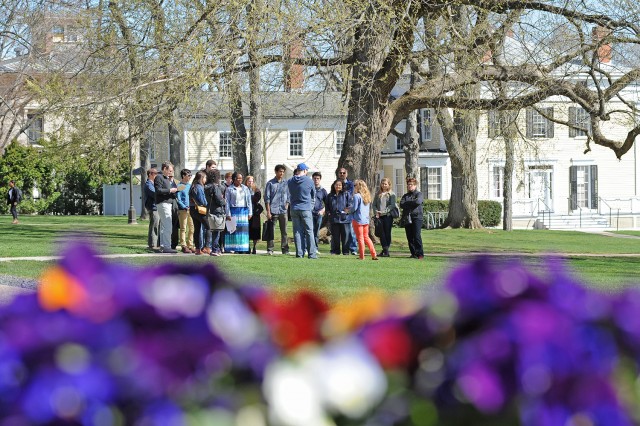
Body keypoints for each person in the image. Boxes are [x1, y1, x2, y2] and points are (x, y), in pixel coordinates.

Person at [287, 163, 318, 259]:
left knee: (297, 231)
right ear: (304, 171)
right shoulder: (309, 181)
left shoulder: (290, 181)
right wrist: (311, 206)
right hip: (306, 208)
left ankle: (299, 253)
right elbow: (313, 195)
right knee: (309, 231)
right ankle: (312, 254)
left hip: (294, 208)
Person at [264, 164, 290, 255]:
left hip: (283, 211)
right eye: (280, 171)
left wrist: (287, 205)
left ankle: (285, 249)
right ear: (276, 172)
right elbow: (267, 198)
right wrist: (268, 211)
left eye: (283, 172)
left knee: (284, 232)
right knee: (271, 231)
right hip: (273, 210)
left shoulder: (286, 183)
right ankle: (270, 249)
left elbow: (289, 196)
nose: (281, 173)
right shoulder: (270, 183)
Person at [225, 172, 253, 253]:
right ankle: (234, 248)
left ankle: (243, 248)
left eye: (241, 178)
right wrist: (228, 214)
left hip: (243, 211)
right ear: (234, 179)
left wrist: (250, 212)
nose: (240, 180)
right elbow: (227, 202)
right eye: (238, 178)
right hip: (233, 211)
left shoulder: (245, 188)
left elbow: (249, 201)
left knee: (243, 230)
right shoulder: (229, 189)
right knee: (234, 230)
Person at [154, 162, 178, 254]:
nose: (170, 173)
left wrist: (174, 191)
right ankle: (167, 246)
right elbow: (158, 190)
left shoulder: (166, 179)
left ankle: (163, 246)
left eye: (171, 171)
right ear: (164, 169)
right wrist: (170, 190)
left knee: (164, 226)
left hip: (167, 203)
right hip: (163, 204)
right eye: (169, 170)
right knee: (168, 226)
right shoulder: (159, 177)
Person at [351, 180, 378, 260]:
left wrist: (348, 211)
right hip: (366, 220)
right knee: (366, 237)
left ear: (358, 186)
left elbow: (354, 208)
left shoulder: (357, 196)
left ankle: (361, 256)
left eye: (354, 185)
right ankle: (374, 254)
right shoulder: (367, 196)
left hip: (358, 219)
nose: (354, 187)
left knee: (360, 238)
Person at [400, 177, 424, 260]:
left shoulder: (419, 194)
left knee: (416, 236)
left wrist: (409, 203)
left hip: (417, 217)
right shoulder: (405, 196)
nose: (409, 186)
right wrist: (411, 203)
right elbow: (402, 204)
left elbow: (418, 202)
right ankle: (413, 253)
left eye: (411, 185)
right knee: (409, 237)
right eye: (408, 185)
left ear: (415, 185)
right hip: (407, 217)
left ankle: (420, 253)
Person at [372, 177, 397, 257]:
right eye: (382, 183)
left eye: (385, 184)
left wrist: (383, 212)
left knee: (387, 233)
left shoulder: (392, 194)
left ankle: (385, 251)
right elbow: (374, 204)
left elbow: (391, 206)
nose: (384, 185)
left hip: (388, 216)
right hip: (379, 217)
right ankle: (385, 251)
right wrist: (376, 211)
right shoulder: (378, 193)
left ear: (389, 185)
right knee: (381, 233)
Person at [327, 179, 352, 255]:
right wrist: (328, 213)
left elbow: (350, 205)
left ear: (342, 186)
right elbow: (327, 206)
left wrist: (346, 211)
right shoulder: (330, 195)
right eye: (336, 185)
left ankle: (345, 251)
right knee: (335, 237)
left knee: (346, 236)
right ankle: (336, 251)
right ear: (334, 186)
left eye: (340, 185)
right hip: (334, 219)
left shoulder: (346, 194)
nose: (338, 186)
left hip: (345, 219)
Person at [338, 167, 358, 255]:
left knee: (351, 230)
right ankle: (343, 249)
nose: (342, 174)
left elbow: (350, 194)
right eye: (340, 173)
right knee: (341, 232)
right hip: (339, 210)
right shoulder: (336, 183)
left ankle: (353, 248)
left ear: (346, 174)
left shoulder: (350, 184)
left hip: (348, 209)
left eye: (343, 173)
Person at [189, 171, 210, 255]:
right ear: (201, 178)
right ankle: (206, 247)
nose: (205, 180)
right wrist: (207, 204)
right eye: (205, 178)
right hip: (200, 210)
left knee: (197, 229)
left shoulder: (192, 186)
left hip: (193, 210)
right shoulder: (199, 187)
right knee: (209, 227)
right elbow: (202, 200)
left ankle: (198, 249)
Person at [205, 169, 225, 256]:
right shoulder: (215, 187)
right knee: (217, 230)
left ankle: (213, 248)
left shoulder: (206, 186)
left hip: (209, 209)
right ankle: (215, 249)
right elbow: (219, 200)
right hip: (217, 210)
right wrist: (224, 201)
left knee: (211, 230)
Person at [176, 169, 195, 253]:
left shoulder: (190, 186)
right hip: (183, 210)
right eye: (188, 175)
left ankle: (190, 245)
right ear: (183, 176)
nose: (190, 177)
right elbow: (178, 199)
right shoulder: (180, 186)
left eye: (191, 175)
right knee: (183, 228)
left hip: (191, 209)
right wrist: (184, 206)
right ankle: (183, 245)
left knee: (192, 228)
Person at [245, 175, 264, 254]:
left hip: (255, 213)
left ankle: (254, 247)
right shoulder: (243, 189)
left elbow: (256, 199)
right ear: (246, 182)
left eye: (252, 181)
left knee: (255, 230)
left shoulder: (256, 191)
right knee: (247, 230)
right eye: (249, 181)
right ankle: (247, 247)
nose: (250, 183)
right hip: (246, 212)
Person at [144, 168, 159, 250]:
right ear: (150, 174)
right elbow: (155, 194)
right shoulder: (148, 184)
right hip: (153, 207)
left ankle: (155, 243)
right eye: (155, 173)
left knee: (156, 225)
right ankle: (152, 244)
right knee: (154, 225)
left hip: (156, 207)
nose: (156, 175)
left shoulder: (153, 184)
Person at [312, 172, 328, 249]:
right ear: (312, 179)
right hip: (310, 213)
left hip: (318, 214)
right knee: (309, 231)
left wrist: (322, 211)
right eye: (314, 178)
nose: (316, 180)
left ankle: (315, 248)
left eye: (317, 178)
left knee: (316, 231)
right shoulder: (310, 189)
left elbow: (327, 204)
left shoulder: (323, 191)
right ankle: (308, 248)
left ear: (320, 179)